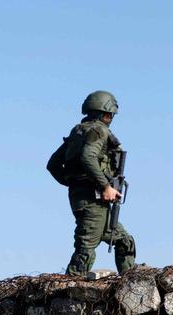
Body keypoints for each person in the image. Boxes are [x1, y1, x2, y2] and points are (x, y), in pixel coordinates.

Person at [47, 90, 136, 276]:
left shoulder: (79, 131)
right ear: (106, 113)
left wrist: (74, 183)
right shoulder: (99, 131)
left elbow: (53, 164)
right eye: (110, 114)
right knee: (85, 249)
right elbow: (88, 157)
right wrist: (104, 186)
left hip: (92, 200)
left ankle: (130, 283)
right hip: (92, 201)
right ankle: (68, 291)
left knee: (124, 241)